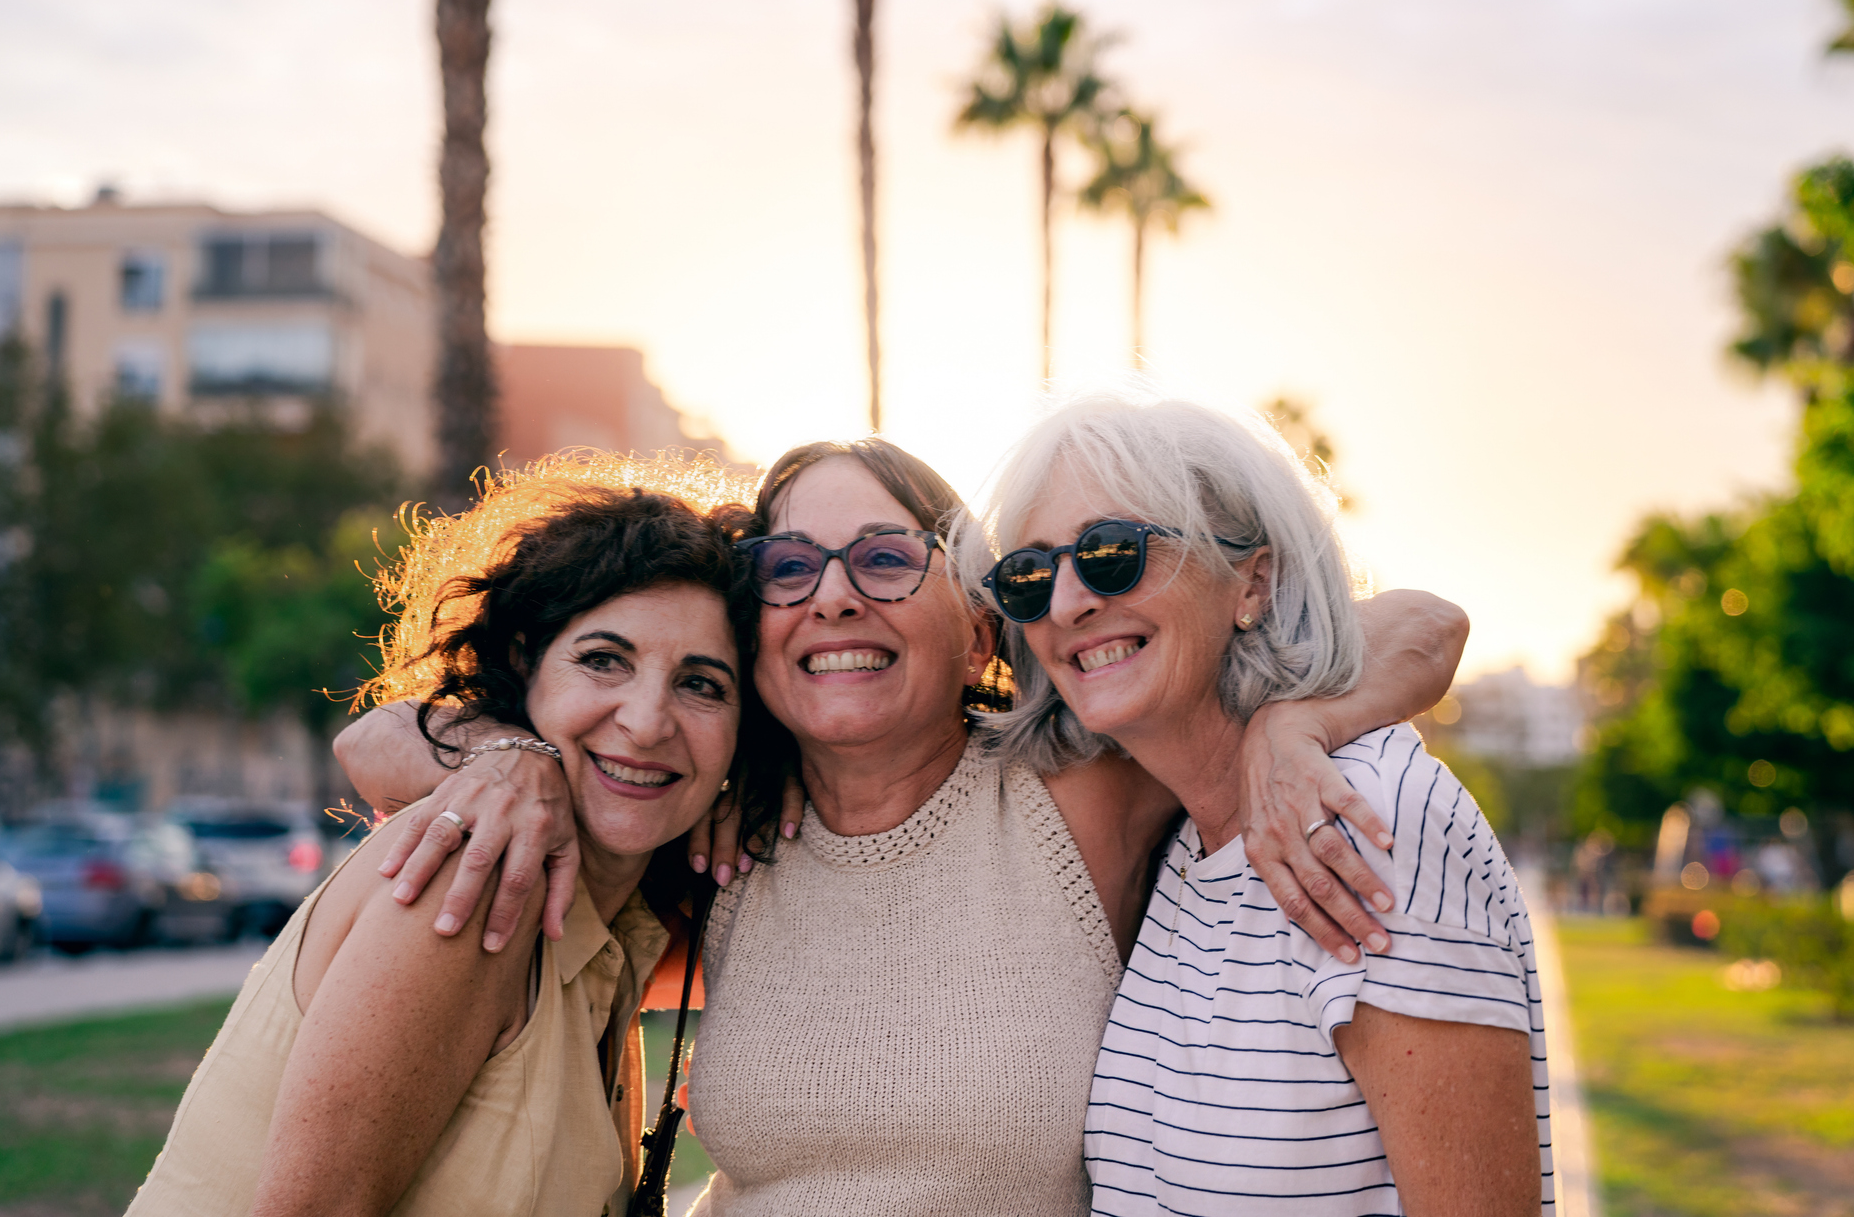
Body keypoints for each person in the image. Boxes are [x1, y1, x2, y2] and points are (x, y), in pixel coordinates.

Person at [338, 437, 1468, 1215]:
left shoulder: (1085, 792)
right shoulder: (716, 828)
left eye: (884, 557)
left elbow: (1426, 623)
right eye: (786, 567)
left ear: (983, 620)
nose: (833, 596)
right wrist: (518, 760)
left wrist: (1291, 724)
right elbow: (375, 743)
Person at [130, 464, 772, 1217]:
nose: (646, 720)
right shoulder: (472, 871)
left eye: (702, 684)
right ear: (525, 664)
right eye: (603, 661)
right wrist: (505, 753)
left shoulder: (619, 931)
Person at [969, 392, 1550, 1215]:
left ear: (1253, 579)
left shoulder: (1363, 819)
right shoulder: (1181, 843)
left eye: (1111, 553)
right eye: (1028, 576)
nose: (1066, 605)